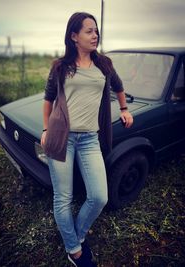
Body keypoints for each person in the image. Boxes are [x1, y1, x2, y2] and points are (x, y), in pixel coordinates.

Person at [41, 12, 133, 267]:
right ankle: (74, 250)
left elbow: (119, 86)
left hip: (90, 139)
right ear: (74, 36)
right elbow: (48, 99)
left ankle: (77, 236)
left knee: (99, 196)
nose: (95, 35)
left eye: (96, 31)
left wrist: (124, 109)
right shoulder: (60, 67)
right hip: (62, 137)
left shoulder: (104, 65)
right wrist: (46, 129)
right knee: (63, 197)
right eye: (89, 31)